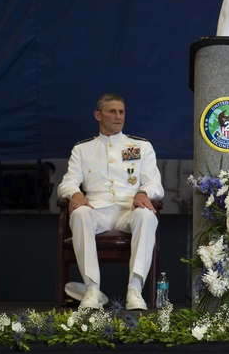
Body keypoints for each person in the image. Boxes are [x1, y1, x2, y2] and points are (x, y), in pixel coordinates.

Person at [57, 93, 163, 310]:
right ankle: (92, 289)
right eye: (112, 111)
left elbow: (156, 185)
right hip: (98, 212)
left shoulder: (141, 146)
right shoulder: (82, 149)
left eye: (121, 112)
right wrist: (74, 193)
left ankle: (135, 289)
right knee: (79, 213)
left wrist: (143, 192)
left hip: (129, 210)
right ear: (98, 115)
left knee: (146, 215)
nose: (118, 116)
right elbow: (67, 183)